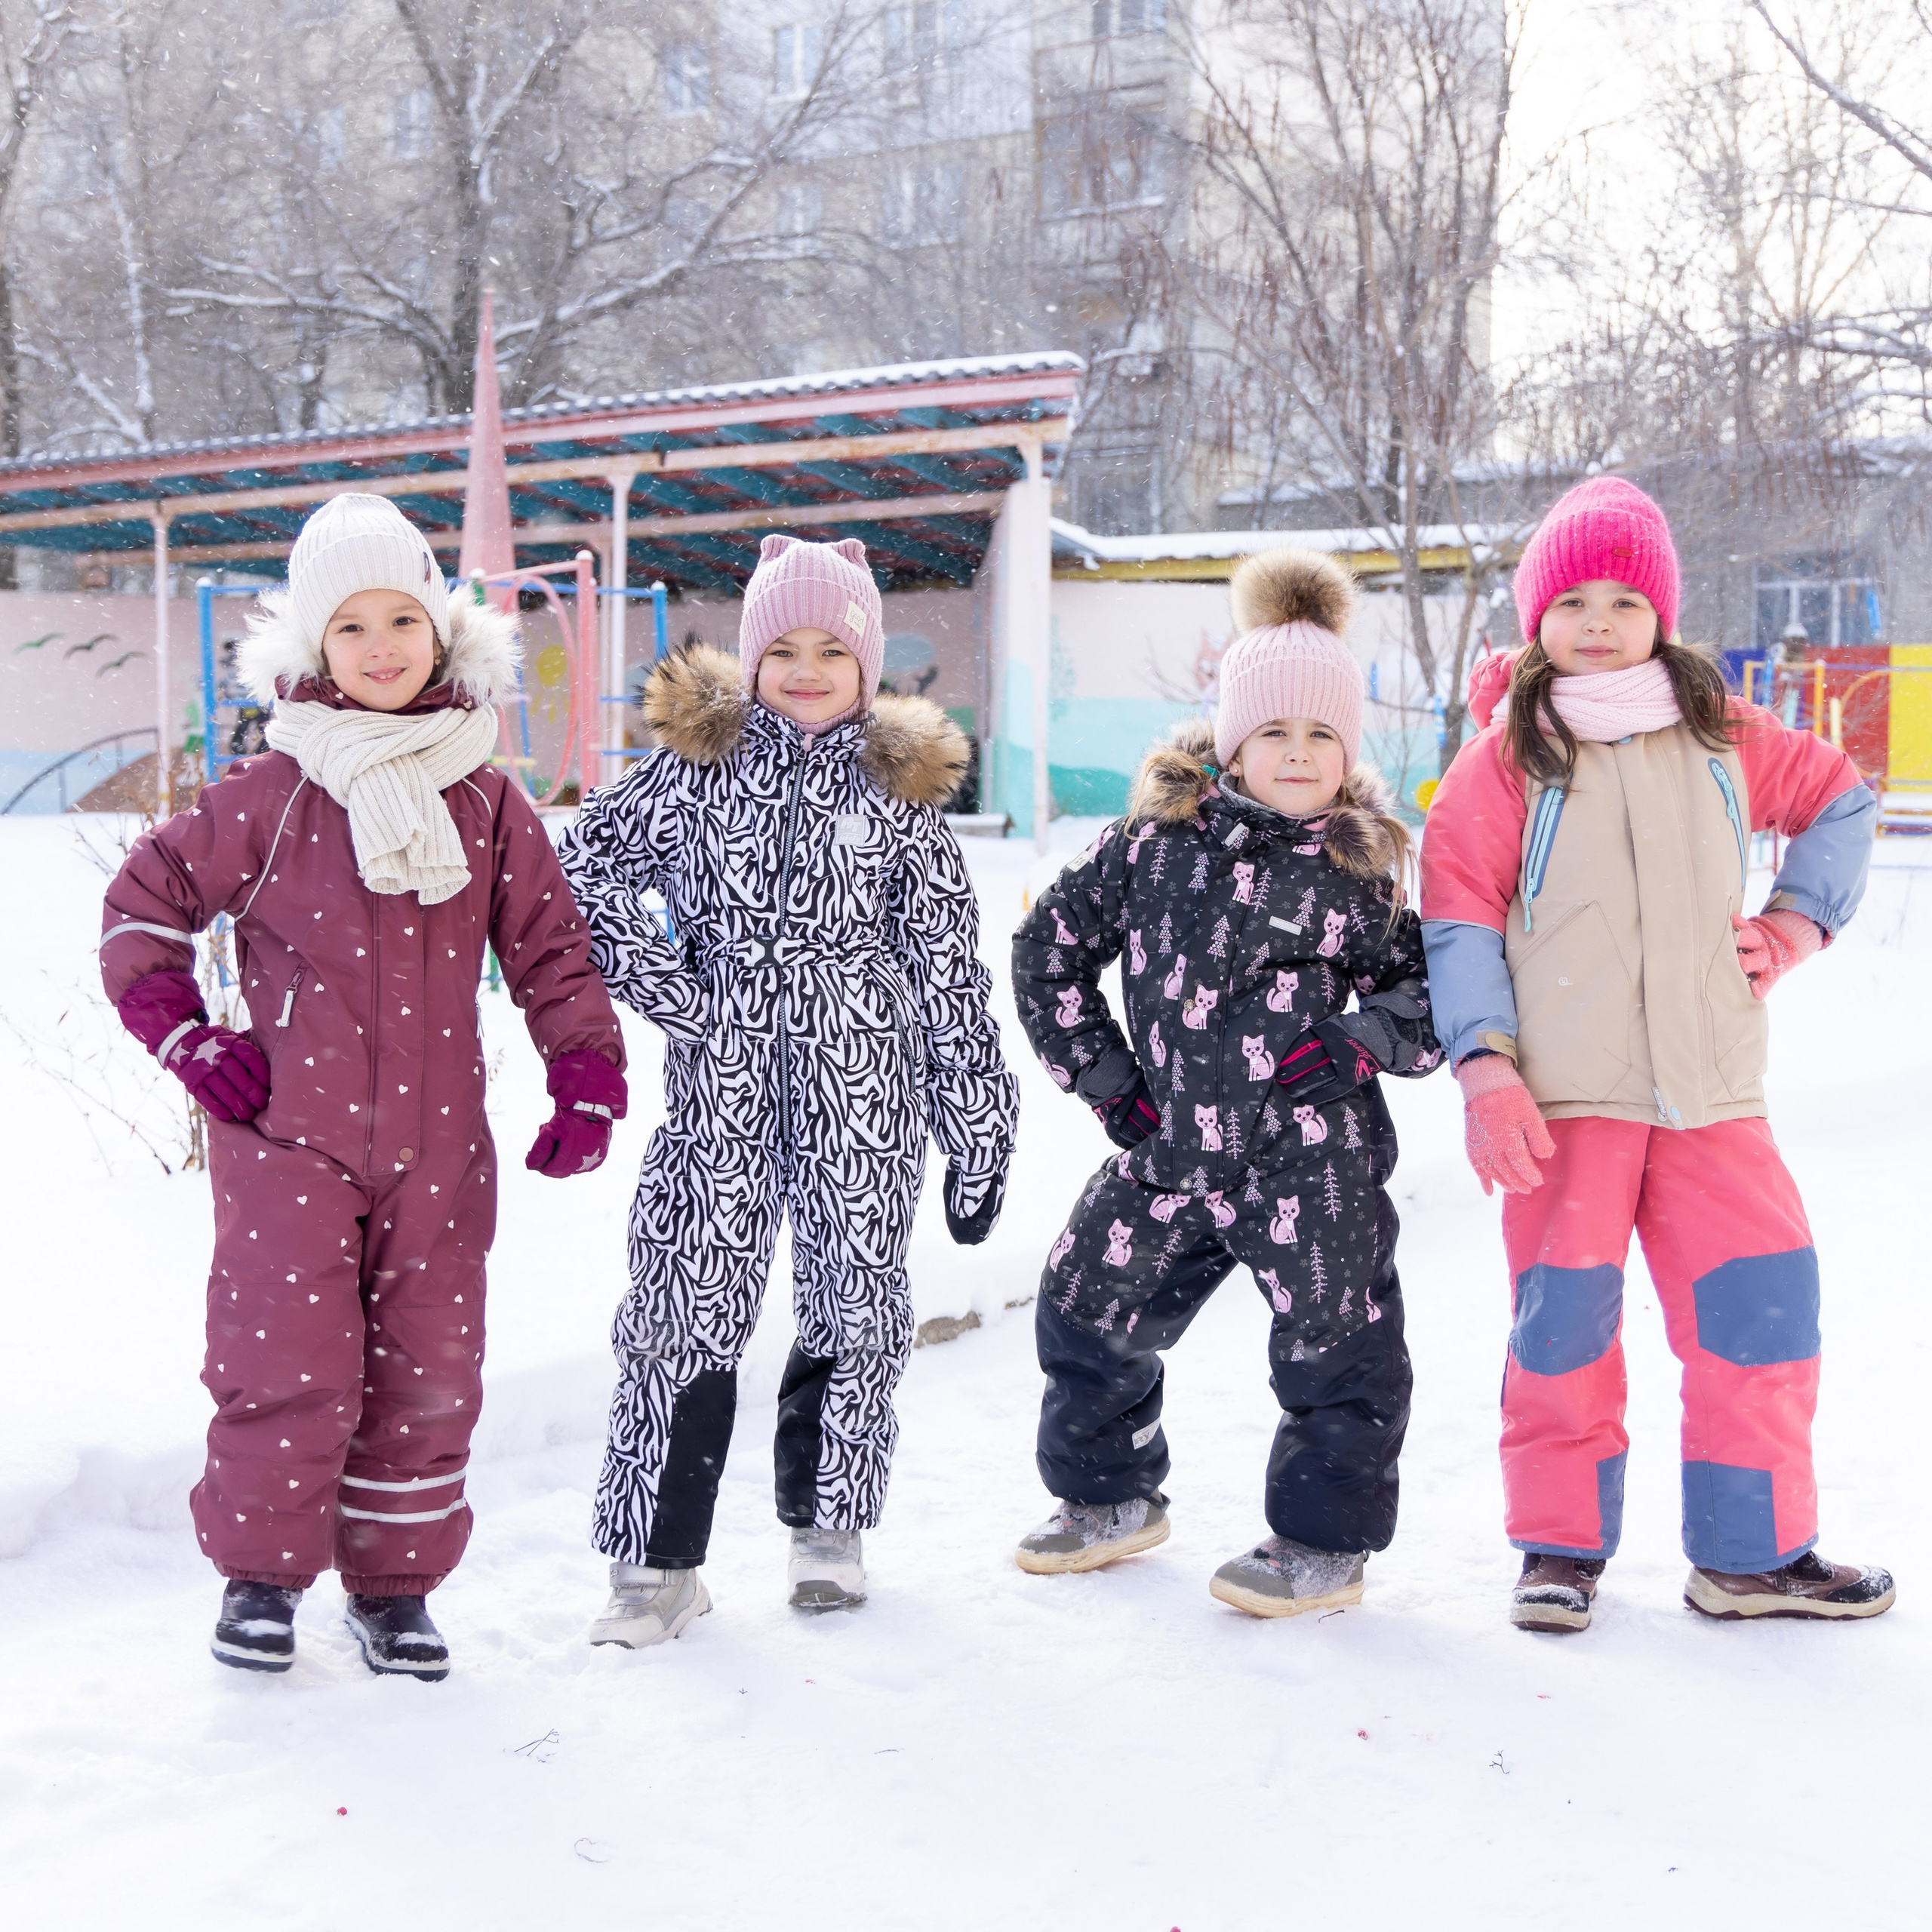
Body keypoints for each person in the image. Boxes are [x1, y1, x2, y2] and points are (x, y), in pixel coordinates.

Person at [99, 494, 626, 1681]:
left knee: (432, 1368)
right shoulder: (262, 797)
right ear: (311, 648)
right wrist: (192, 1042)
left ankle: (394, 1588)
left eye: (404, 618)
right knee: (288, 1361)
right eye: (351, 627)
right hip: (288, 1135)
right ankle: (264, 1579)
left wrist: (583, 1074)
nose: (381, 646)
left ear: (441, 637)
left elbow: (549, 947)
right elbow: (138, 917)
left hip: (441, 1144)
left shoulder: (485, 796)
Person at [1420, 475, 1894, 1632]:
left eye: (1623, 599)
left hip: (1712, 1095)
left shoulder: (1725, 737)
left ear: (1661, 615)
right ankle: (1559, 1552)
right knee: (1563, 1333)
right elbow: (1458, 918)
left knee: (1763, 1316)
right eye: (1571, 597)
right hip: (1565, 1100)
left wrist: (1793, 926)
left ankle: (1753, 1555)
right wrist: (1485, 1069)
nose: (1595, 619)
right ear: (1536, 618)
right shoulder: (1504, 760)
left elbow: (1842, 800)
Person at [557, 534, 1017, 1644]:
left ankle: (828, 1526)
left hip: (867, 1089)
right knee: (683, 1301)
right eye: (784, 649)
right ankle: (660, 1558)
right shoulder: (691, 774)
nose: (807, 671)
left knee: (855, 1302)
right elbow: (584, 869)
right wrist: (674, 985)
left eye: (833, 650)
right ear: (750, 658)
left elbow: (948, 970)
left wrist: (979, 1123)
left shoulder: (898, 800)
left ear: (868, 669)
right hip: (721, 1085)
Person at [1008, 549, 1441, 1617]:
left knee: (1338, 1344)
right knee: (1082, 1304)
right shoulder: (1154, 846)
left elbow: (1435, 998)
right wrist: (1111, 1085)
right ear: (1235, 741)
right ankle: (1112, 1498)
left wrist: (1358, 1041)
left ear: (1351, 748)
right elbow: (1047, 953)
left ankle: (1320, 1543)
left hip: (1312, 1168)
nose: (1298, 754)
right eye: (1275, 733)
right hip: (1168, 1151)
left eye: (1323, 735)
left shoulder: (1362, 871)